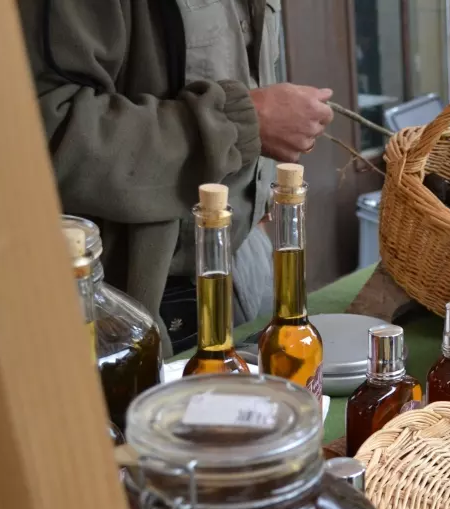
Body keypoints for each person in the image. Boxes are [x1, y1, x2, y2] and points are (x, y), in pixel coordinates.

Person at [18, 0, 334, 356]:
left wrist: (259, 192)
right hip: (142, 302)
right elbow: (39, 135)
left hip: (248, 263)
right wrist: (246, 123)